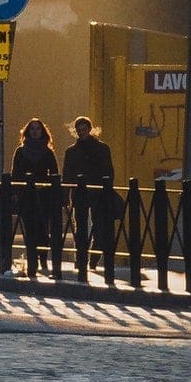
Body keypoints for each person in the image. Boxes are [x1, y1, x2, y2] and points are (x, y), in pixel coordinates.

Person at [61, 116, 115, 274]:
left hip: (97, 192)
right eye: (79, 130)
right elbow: (67, 175)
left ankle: (92, 260)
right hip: (81, 192)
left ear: (89, 129)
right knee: (81, 228)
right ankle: (82, 259)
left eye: (84, 130)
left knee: (99, 228)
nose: (82, 133)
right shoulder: (72, 151)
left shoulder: (102, 149)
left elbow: (109, 171)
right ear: (76, 131)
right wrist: (65, 195)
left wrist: (107, 188)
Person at [10, 118, 58, 273]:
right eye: (32, 129)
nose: (35, 131)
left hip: (44, 195)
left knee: (43, 228)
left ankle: (43, 258)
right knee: (29, 227)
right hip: (26, 195)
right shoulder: (21, 151)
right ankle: (33, 260)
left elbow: (55, 173)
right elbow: (15, 174)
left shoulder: (48, 152)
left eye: (38, 129)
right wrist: (16, 193)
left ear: (43, 131)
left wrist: (54, 191)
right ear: (27, 132)